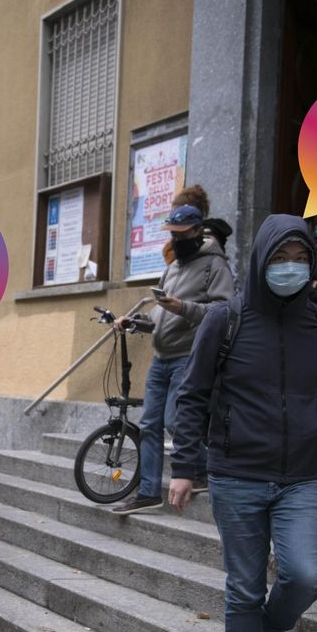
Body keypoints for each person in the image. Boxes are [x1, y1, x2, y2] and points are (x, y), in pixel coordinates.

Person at [168, 214, 317, 632]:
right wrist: (184, 467)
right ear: (261, 258)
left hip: (302, 475)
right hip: (237, 473)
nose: (290, 268)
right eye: (280, 258)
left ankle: (274, 626)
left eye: (300, 258)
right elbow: (192, 393)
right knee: (243, 590)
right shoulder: (226, 319)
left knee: (305, 576)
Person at [112, 204, 233, 515]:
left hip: (188, 357)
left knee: (173, 421)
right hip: (160, 358)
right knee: (150, 424)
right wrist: (134, 322)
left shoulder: (215, 266)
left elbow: (224, 313)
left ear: (196, 231)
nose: (174, 240)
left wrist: (182, 307)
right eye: (171, 234)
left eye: (180, 234)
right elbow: (160, 313)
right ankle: (149, 491)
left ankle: (208, 466)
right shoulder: (172, 267)